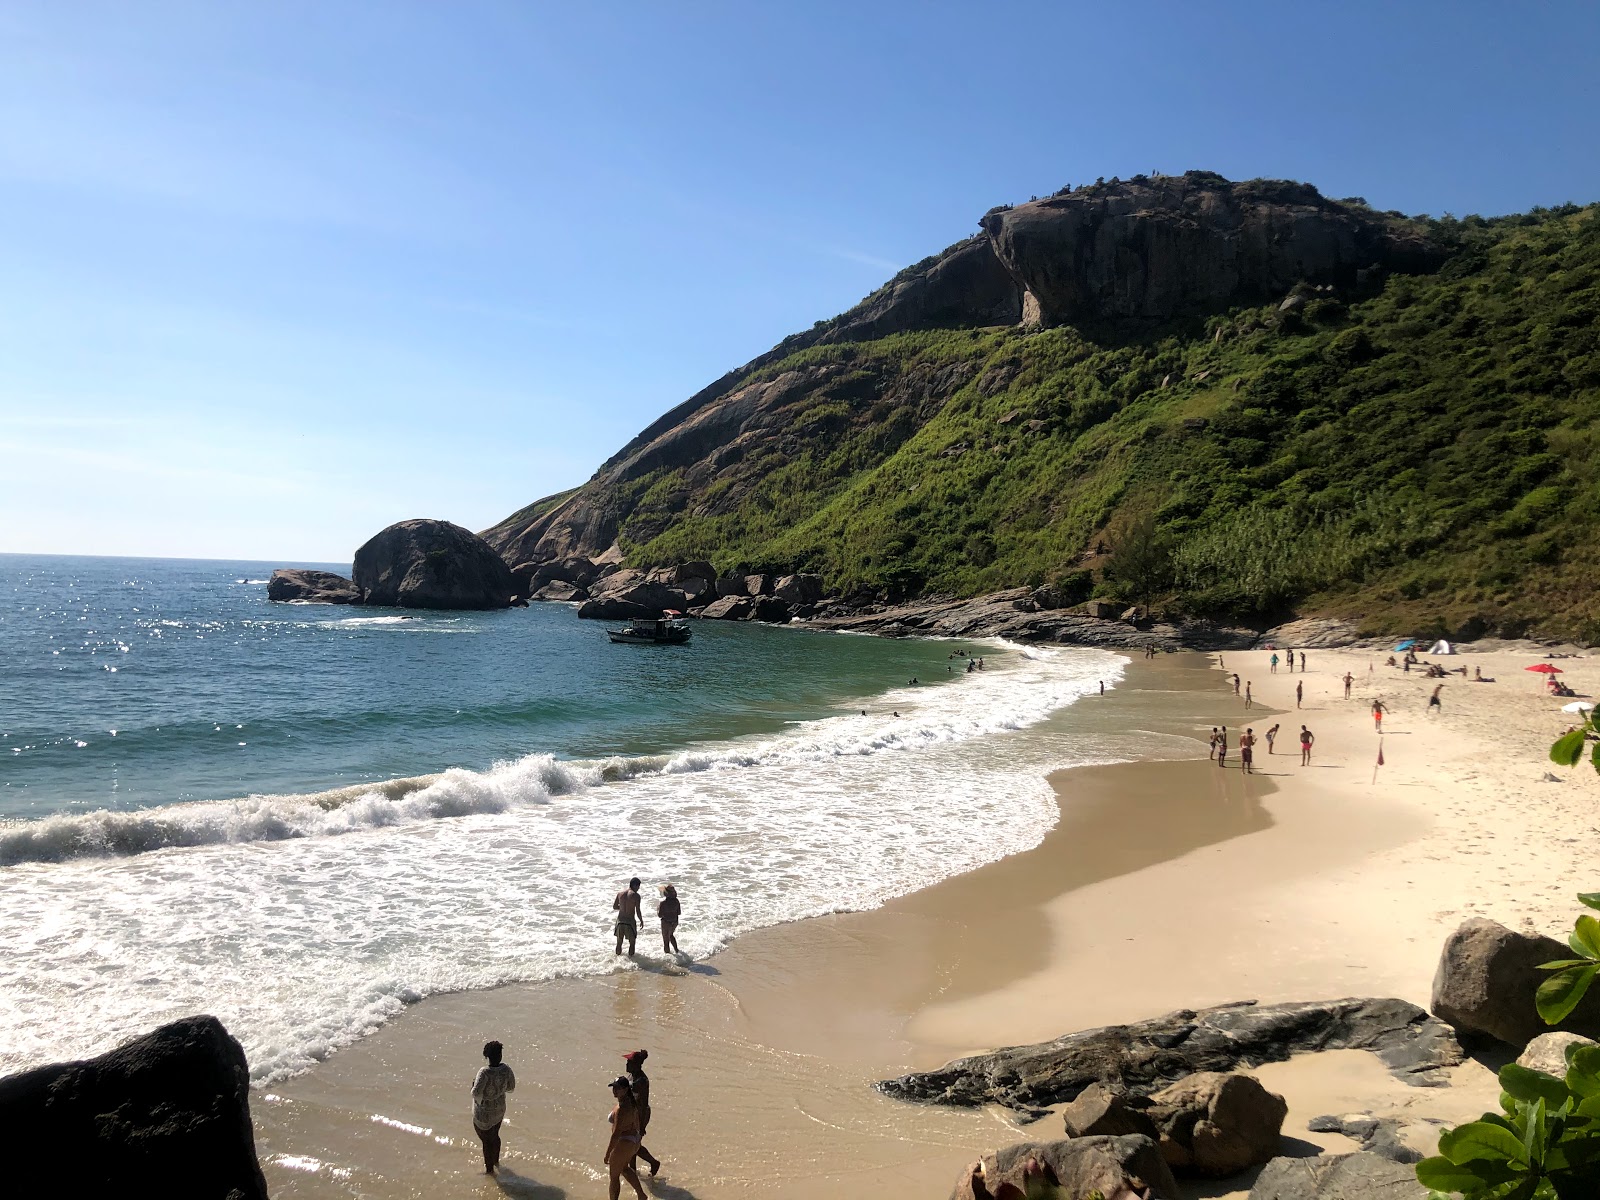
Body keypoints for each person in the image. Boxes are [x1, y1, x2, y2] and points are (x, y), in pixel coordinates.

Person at [471, 1041, 516, 1175]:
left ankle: (489, 1170)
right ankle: (496, 1162)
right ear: (500, 1055)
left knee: (486, 1141)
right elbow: (511, 1087)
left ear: (487, 1057)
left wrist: (473, 1085)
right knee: (495, 1136)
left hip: (485, 1113)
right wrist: (498, 1090)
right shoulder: (506, 1069)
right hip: (499, 1109)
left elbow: (476, 1093)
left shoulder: (484, 1072)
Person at [604, 1077, 648, 1200]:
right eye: (613, 1087)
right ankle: (641, 1195)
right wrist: (637, 1140)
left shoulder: (621, 1109)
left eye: (618, 1088)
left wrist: (607, 1154)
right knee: (624, 1169)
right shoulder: (631, 1102)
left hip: (624, 1142)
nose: (614, 1090)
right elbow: (637, 1123)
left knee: (613, 1177)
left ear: (626, 1089)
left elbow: (616, 1134)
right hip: (633, 1141)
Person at [622, 1051, 661, 1176]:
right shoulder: (631, 1076)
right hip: (632, 1114)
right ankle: (632, 1169)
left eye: (629, 1062)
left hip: (640, 1114)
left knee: (634, 1144)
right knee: (630, 1143)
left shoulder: (641, 1081)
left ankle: (653, 1162)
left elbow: (643, 1104)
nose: (626, 1064)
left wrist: (642, 1125)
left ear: (636, 1064)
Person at [614, 878, 643, 957]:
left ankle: (617, 959)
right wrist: (641, 920)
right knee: (632, 943)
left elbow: (615, 906)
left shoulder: (620, 894)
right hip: (629, 922)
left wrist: (623, 908)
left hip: (620, 921)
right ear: (634, 885)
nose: (638, 888)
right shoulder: (636, 896)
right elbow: (638, 910)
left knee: (619, 942)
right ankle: (631, 961)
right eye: (638, 886)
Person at [658, 884, 681, 955]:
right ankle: (677, 950)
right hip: (674, 922)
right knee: (671, 935)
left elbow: (660, 915)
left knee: (666, 940)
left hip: (666, 922)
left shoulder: (663, 903)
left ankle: (668, 956)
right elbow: (679, 913)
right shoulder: (676, 901)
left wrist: (658, 909)